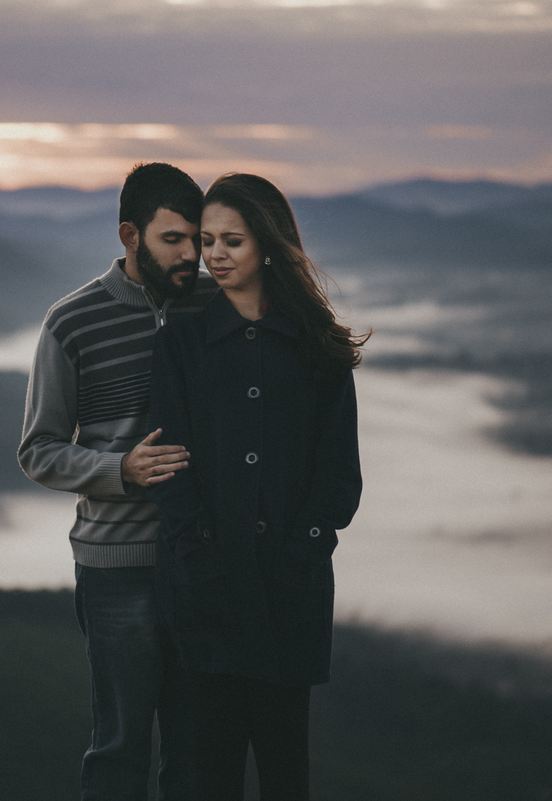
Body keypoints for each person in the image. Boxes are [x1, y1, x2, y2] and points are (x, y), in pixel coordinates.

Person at [145, 173, 367, 801]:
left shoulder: (317, 346)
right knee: (210, 773)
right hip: (205, 594)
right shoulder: (180, 345)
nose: (214, 254)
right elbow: (169, 465)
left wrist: (300, 554)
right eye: (207, 239)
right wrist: (204, 560)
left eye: (232, 241)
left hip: (289, 596)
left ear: (267, 246)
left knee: (285, 773)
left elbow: (339, 477)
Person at [18, 162, 217, 801]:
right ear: (130, 236)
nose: (192, 255)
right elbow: (39, 450)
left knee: (198, 759)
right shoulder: (71, 321)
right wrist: (119, 471)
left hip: (204, 565)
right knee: (119, 752)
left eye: (198, 238)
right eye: (173, 240)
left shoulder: (215, 306)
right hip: (115, 571)